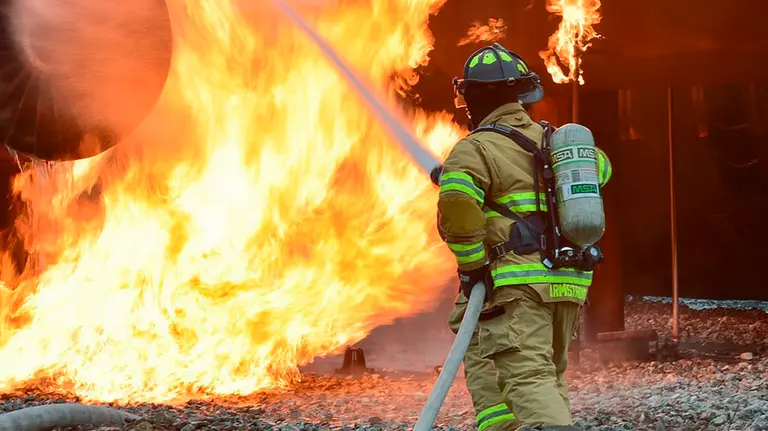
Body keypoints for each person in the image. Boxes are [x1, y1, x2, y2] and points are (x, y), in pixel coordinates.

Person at [435, 42, 612, 430]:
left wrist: (472, 266)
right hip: (567, 280)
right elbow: (601, 170)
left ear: (473, 97)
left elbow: (458, 209)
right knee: (542, 374)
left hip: (518, 285)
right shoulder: (554, 142)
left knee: (530, 378)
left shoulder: (475, 148)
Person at [448, 292, 519, 431]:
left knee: (476, 333)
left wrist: (468, 276)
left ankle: (503, 425)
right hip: (555, 288)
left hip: (497, 286)